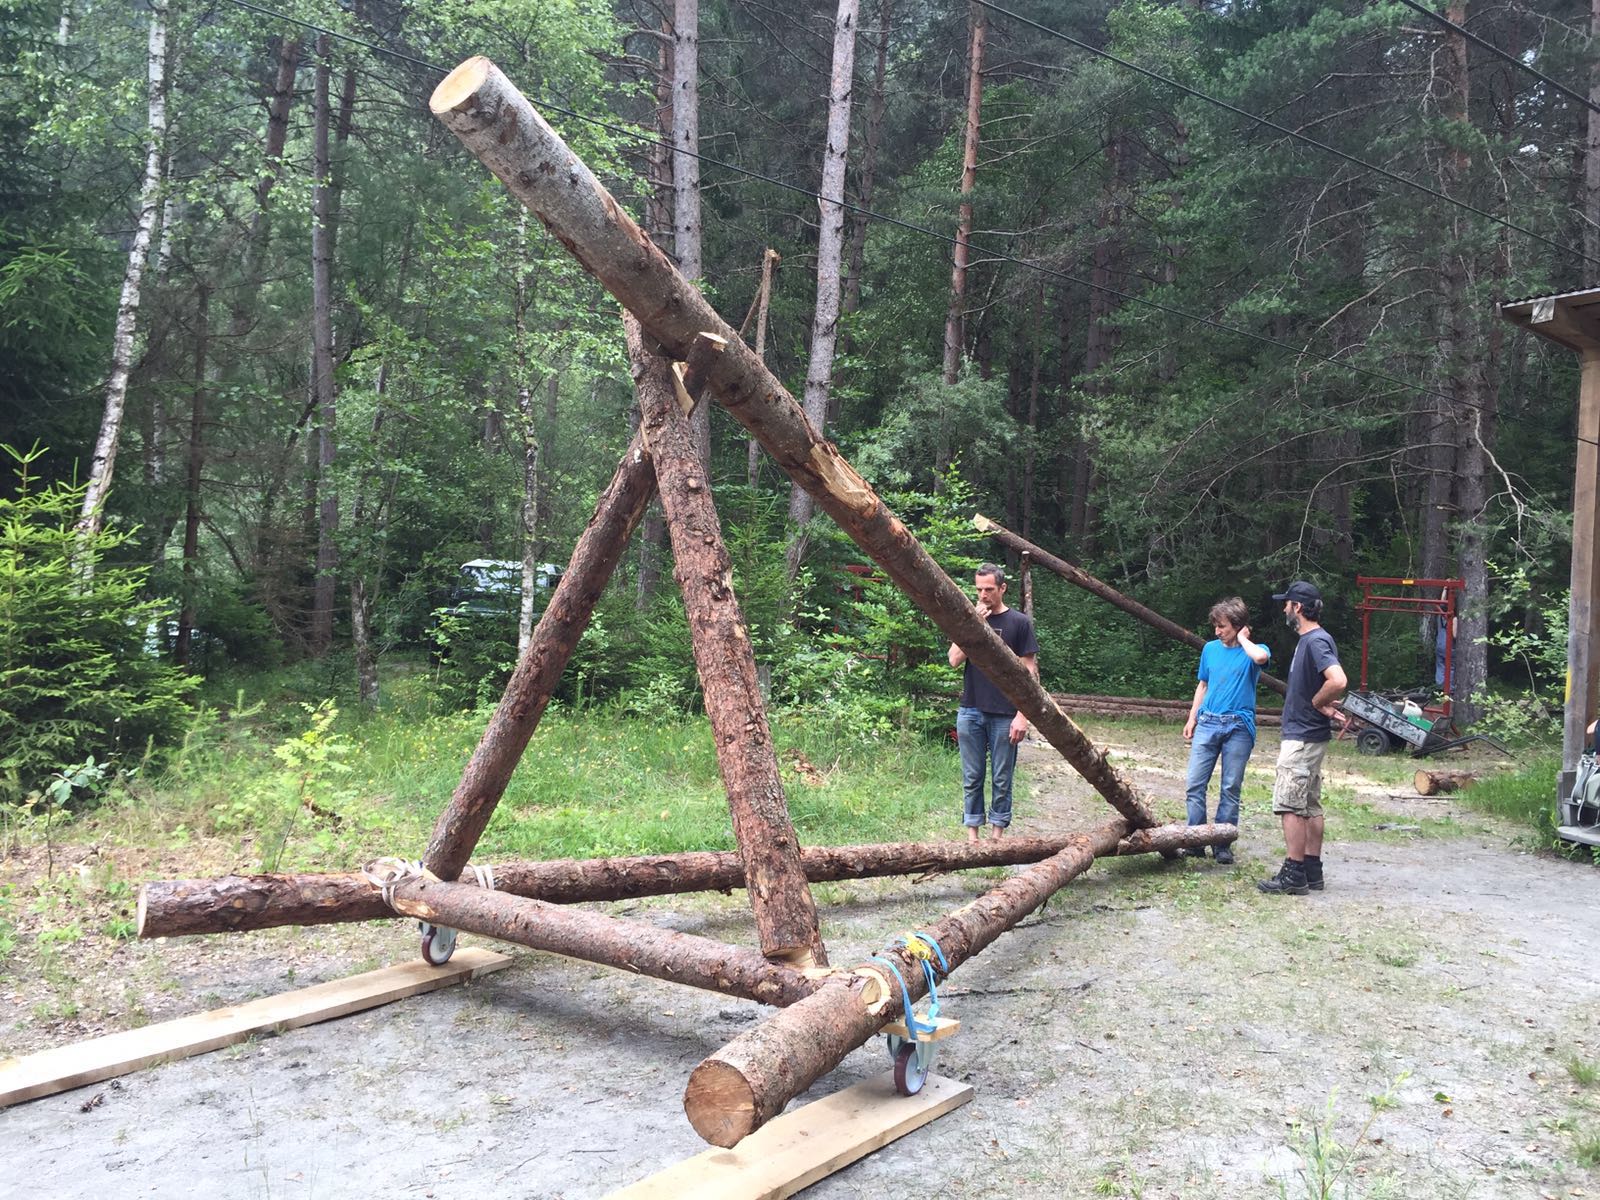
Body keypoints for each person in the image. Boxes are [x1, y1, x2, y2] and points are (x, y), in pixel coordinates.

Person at [1259, 580, 1347, 896]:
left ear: (1297, 607)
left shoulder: (1315, 641)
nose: (1284, 608)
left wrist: (1319, 702)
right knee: (1309, 803)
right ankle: (1312, 870)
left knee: (1290, 803)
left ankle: (1294, 874)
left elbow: (1338, 680)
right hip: (1310, 735)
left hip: (1302, 737)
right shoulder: (1313, 640)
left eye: (1287, 603)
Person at [948, 564, 1039, 842]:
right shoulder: (969, 618)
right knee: (972, 776)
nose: (983, 595)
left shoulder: (1019, 623)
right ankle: (973, 837)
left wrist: (1022, 715)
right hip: (971, 709)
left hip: (1005, 713)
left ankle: (997, 837)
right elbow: (953, 660)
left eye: (989, 589)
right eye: (979, 589)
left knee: (1002, 777)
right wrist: (973, 624)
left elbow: (1029, 673)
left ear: (1002, 588)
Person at [1181, 597, 1270, 865]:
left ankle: (1222, 844)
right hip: (1208, 722)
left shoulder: (1254, 650)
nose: (1217, 631)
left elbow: (1261, 658)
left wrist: (1242, 639)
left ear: (1239, 626)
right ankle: (1196, 841)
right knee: (1194, 784)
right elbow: (1203, 685)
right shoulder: (1210, 649)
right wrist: (1192, 718)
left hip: (1238, 726)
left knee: (1230, 787)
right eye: (1216, 626)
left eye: (1223, 626)